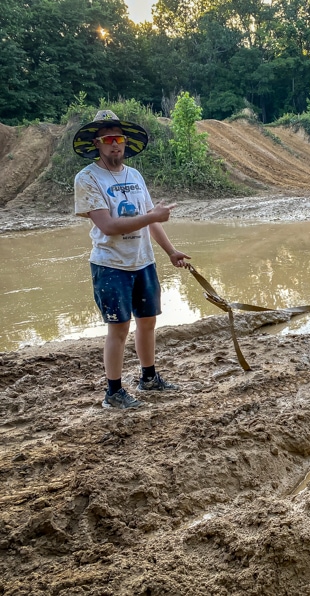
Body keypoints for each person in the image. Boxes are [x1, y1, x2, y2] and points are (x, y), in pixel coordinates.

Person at [73, 110, 190, 409]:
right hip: (111, 264)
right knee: (119, 327)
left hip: (143, 261)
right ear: (97, 144)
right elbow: (108, 226)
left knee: (148, 322)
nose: (116, 145)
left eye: (120, 139)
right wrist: (151, 215)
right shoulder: (87, 178)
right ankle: (113, 393)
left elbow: (152, 221)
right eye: (109, 139)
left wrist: (171, 251)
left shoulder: (135, 176)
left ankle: (148, 378)